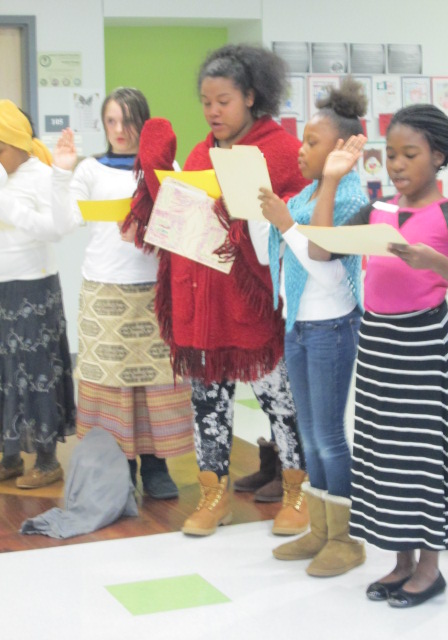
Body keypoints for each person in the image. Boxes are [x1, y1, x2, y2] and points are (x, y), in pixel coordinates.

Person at [123, 45, 308, 536]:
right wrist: (159, 181)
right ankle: (214, 497)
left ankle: (298, 495)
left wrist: (255, 211)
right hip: (204, 307)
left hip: (257, 309)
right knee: (208, 406)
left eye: (223, 101)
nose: (212, 111)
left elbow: (299, 224)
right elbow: (182, 228)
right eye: (206, 102)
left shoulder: (282, 150)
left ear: (250, 96)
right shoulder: (202, 153)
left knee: (281, 405)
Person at [308, 103, 448, 607]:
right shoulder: (377, 211)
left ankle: (430, 568)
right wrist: (330, 181)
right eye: (391, 155)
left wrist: (437, 263)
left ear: (439, 157)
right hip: (379, 345)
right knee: (384, 455)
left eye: (410, 154)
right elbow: (321, 250)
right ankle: (401, 562)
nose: (397, 165)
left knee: (423, 456)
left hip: (424, 347)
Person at [51, 88, 194, 500]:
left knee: (156, 383)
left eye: (127, 121)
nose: (118, 130)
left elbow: (185, 229)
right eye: (111, 121)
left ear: (143, 123)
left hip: (154, 292)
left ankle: (156, 464)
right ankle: (120, 468)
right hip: (104, 290)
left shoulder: (164, 167)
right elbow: (63, 224)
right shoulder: (90, 170)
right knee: (112, 385)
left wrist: (147, 230)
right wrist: (61, 172)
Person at [255, 77, 368, 577]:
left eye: (311, 142)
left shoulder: (349, 198)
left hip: (332, 329)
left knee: (328, 436)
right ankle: (321, 530)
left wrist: (285, 224)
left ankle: (346, 539)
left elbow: (325, 265)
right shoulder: (307, 193)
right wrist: (263, 216)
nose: (300, 150)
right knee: (309, 432)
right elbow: (279, 254)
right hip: (299, 326)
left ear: (341, 149)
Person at [0, 99, 76, 488]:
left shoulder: (41, 175)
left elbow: (56, 229)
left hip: (33, 287)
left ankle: (47, 461)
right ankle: (9, 456)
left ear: (17, 143)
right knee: (4, 372)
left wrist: (8, 205)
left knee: (36, 371)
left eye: (0, 148)